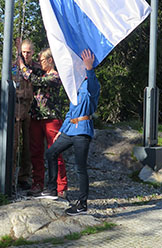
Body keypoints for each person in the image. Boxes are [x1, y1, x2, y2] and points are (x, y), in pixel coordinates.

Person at [35, 49, 100, 216]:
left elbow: (92, 83)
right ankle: (51, 189)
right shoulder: (75, 86)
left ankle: (82, 204)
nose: (76, 69)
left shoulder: (91, 84)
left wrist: (89, 68)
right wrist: (61, 131)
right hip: (69, 129)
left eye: (79, 67)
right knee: (51, 153)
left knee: (80, 168)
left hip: (83, 130)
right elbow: (70, 112)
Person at [18, 48, 68, 198]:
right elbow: (29, 70)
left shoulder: (55, 76)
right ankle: (37, 183)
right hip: (36, 117)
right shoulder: (41, 72)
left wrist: (22, 67)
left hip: (51, 118)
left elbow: (34, 80)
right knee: (36, 152)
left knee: (55, 152)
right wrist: (20, 54)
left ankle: (61, 187)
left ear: (50, 60)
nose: (40, 63)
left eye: (42, 60)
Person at [12, 38, 40, 191]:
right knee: (14, 144)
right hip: (16, 107)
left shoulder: (36, 67)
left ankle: (24, 177)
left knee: (29, 145)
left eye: (29, 52)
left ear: (33, 52)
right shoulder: (14, 67)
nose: (27, 54)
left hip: (31, 107)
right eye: (24, 52)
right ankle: (9, 179)